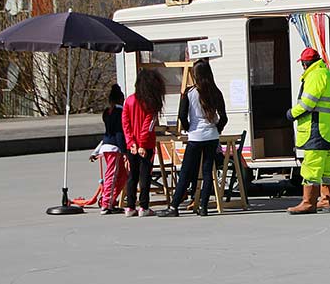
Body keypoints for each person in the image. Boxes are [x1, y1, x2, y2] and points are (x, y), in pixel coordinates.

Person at [159, 60, 228, 217]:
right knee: (208, 171)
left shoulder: (189, 93)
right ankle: (203, 207)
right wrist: (217, 129)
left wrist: (189, 127)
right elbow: (223, 117)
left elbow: (182, 116)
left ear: (195, 75)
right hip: (211, 136)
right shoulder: (216, 92)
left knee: (186, 171)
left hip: (195, 136)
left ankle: (174, 206)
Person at [286, 47, 330, 214]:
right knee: (327, 168)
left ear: (305, 63)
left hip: (316, 128)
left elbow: (308, 103)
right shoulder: (327, 74)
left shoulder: (315, 75)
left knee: (311, 166)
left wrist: (291, 113)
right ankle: (326, 201)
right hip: (328, 128)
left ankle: (308, 202)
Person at [122, 68, 165, 217]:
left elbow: (125, 123)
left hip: (131, 146)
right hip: (145, 145)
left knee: (132, 175)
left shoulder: (129, 100)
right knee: (145, 175)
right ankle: (144, 206)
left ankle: (129, 206)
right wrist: (141, 144)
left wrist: (131, 142)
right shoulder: (150, 104)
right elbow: (148, 126)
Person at [91, 84, 128, 215]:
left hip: (106, 145)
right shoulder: (120, 113)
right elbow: (119, 133)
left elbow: (107, 134)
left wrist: (96, 151)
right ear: (121, 99)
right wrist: (124, 151)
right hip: (115, 148)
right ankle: (106, 203)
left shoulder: (107, 113)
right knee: (112, 175)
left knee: (122, 175)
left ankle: (111, 200)